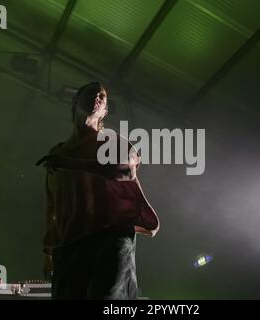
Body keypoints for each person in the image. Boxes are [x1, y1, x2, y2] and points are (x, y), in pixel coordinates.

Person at [36, 82, 159, 300]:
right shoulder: (57, 153)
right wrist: (48, 253)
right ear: (75, 101)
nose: (97, 97)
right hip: (69, 244)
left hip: (110, 237)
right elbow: (53, 204)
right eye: (91, 92)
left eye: (102, 95)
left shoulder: (113, 141)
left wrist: (70, 164)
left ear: (105, 110)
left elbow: (124, 170)